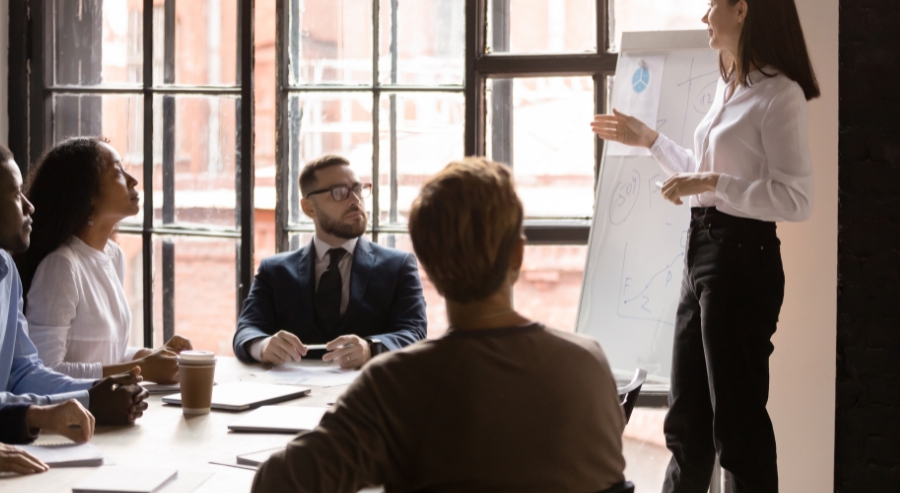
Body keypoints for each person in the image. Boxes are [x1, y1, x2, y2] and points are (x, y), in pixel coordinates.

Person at [252, 158, 627, 493]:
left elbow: (276, 484)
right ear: (518, 254)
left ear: (428, 267)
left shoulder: (394, 385)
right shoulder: (589, 363)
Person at [592, 0, 817, 493]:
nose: (703, 16)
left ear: (741, 10)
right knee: (687, 425)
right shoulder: (729, 85)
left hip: (742, 259)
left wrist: (710, 180)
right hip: (703, 252)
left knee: (737, 429)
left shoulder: (779, 94)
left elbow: (796, 199)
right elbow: (703, 180)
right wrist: (650, 140)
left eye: (712, 4)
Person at [0, 143, 149, 474]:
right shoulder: (62, 265)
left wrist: (91, 395)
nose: (29, 206)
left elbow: (23, 372)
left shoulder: (5, 271)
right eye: (15, 194)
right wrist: (40, 414)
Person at [18, 137, 191, 383]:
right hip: (72, 409)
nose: (133, 180)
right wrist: (141, 368)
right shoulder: (61, 267)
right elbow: (45, 372)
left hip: (111, 405)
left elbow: (109, 355)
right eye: (118, 173)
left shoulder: (114, 256)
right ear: (88, 194)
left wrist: (154, 357)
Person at [233, 155, 427, 368]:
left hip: (368, 387)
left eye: (358, 189)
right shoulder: (274, 271)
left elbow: (415, 333)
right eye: (340, 192)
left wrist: (371, 348)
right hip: (290, 388)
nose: (355, 200)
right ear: (309, 208)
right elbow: (246, 331)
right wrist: (263, 346)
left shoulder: (399, 266)